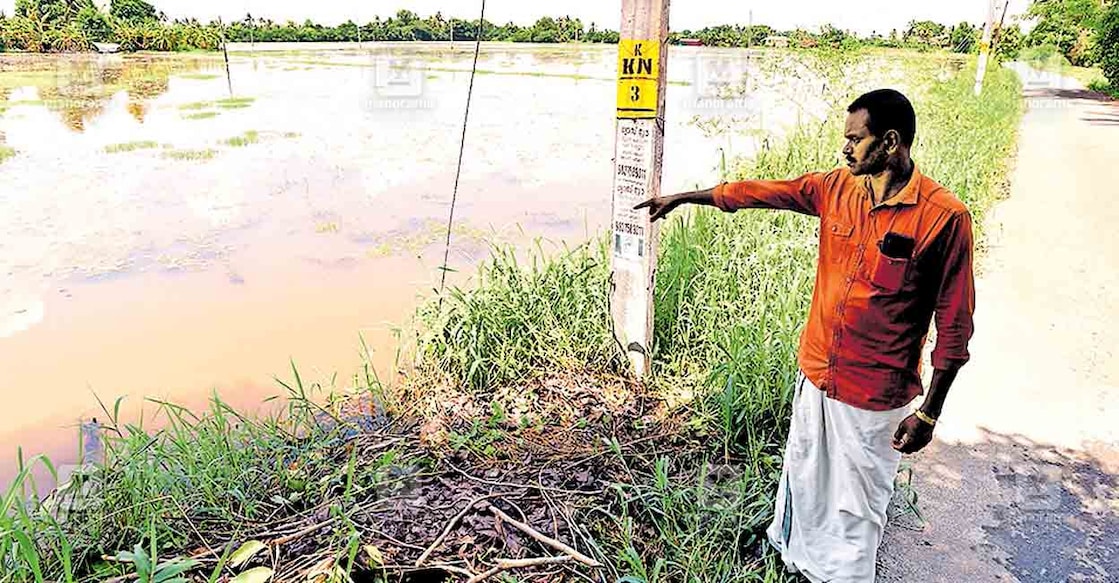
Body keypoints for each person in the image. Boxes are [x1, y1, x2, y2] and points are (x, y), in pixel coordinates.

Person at [635, 88, 975, 582]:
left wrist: (929, 413)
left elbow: (955, 328)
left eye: (856, 139)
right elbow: (764, 192)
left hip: (873, 394)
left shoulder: (943, 218)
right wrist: (689, 196)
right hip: (817, 371)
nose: (845, 148)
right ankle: (798, 560)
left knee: (857, 505)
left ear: (891, 142)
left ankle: (845, 576)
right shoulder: (836, 188)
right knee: (806, 476)